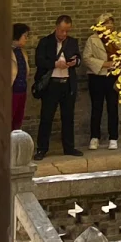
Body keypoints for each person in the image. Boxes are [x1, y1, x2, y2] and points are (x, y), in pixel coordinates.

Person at [34, 15, 83, 160]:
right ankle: (42, 148)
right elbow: (39, 60)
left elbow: (78, 58)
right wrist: (55, 64)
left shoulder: (72, 42)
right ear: (56, 28)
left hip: (67, 83)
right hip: (51, 84)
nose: (64, 34)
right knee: (46, 117)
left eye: (67, 31)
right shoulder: (45, 42)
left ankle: (69, 147)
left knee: (68, 117)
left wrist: (76, 62)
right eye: (62, 31)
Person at [82, 13, 120, 150]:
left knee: (113, 107)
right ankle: (94, 137)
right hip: (97, 76)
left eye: (111, 22)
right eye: (106, 23)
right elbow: (86, 58)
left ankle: (113, 137)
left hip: (113, 76)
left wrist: (116, 64)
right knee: (96, 107)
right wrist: (104, 64)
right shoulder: (92, 40)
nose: (109, 25)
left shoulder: (117, 39)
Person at [11, 23, 30, 132]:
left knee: (18, 119)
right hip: (12, 90)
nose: (26, 39)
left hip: (22, 89)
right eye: (24, 36)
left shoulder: (22, 52)